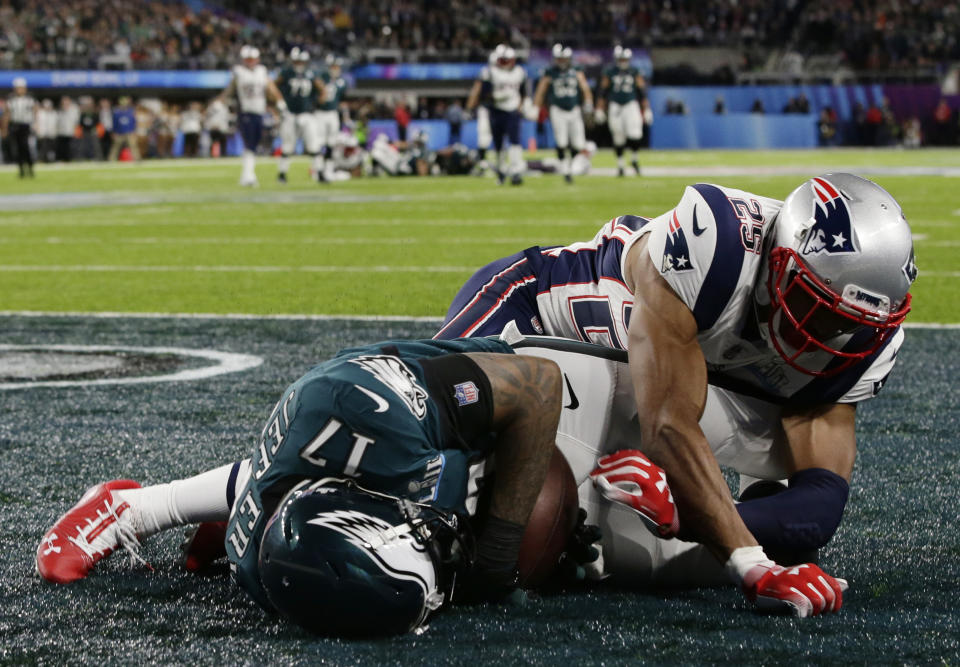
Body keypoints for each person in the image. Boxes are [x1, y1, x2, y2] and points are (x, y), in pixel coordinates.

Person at [436, 173, 916, 615]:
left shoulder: (861, 345)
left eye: (851, 322)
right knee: (438, 427)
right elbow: (667, 422)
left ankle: (586, 541)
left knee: (785, 539)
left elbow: (820, 503)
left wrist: (681, 512)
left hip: (627, 388)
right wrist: (750, 564)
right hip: (536, 312)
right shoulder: (719, 244)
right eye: (815, 303)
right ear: (780, 259)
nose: (826, 332)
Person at [36, 338, 562, 636]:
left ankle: (135, 508)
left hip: (433, 369)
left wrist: (496, 557)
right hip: (318, 468)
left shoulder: (377, 423)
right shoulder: (268, 578)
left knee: (539, 466)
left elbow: (540, 383)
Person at [215, 45, 286, 186]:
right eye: (248, 59)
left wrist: (279, 101)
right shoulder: (239, 72)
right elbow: (230, 89)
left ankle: (247, 175)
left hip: (259, 111)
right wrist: (220, 102)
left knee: (254, 144)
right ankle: (248, 175)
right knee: (249, 144)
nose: (250, 61)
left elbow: (270, 87)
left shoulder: (262, 71)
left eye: (252, 59)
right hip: (245, 111)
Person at [532, 44, 593, 184]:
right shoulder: (550, 72)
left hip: (574, 109)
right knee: (561, 141)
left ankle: (571, 166)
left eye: (563, 58)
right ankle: (566, 170)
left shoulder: (576, 71)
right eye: (559, 59)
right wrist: (536, 107)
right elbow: (541, 91)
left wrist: (588, 103)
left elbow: (585, 88)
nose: (561, 61)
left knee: (579, 143)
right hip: (557, 109)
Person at [467, 44, 527, 185]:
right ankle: (501, 170)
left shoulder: (519, 72)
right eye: (502, 60)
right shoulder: (490, 72)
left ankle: (516, 171)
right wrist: (497, 97)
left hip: (512, 111)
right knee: (498, 144)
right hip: (496, 110)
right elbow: (484, 95)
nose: (505, 63)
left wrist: (519, 107)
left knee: (515, 142)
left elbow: (523, 93)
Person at [274, 47, 325, 183]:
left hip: (307, 114)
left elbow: (322, 90)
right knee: (287, 145)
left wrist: (316, 104)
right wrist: (278, 103)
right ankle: (282, 174)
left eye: (301, 61)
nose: (299, 64)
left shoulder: (311, 74)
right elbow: (273, 88)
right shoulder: (286, 73)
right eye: (297, 61)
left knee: (314, 145)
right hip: (290, 114)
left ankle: (319, 172)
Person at [596, 46, 645, 177]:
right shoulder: (610, 71)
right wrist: (600, 108)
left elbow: (642, 91)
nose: (623, 61)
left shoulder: (634, 71)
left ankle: (634, 159)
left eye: (625, 58)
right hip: (615, 105)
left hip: (631, 104)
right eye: (621, 58)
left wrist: (646, 109)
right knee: (618, 136)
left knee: (635, 134)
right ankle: (620, 165)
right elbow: (603, 91)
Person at [316, 55, 348, 182]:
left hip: (333, 113)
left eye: (337, 66)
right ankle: (318, 170)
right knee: (318, 144)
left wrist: (345, 115)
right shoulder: (321, 78)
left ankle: (328, 171)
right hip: (320, 113)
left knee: (331, 143)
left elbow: (342, 100)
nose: (335, 68)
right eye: (333, 66)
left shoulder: (342, 82)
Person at [2, 77, 35, 178]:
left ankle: (30, 168)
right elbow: (6, 115)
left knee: (25, 147)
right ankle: (21, 170)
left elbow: (35, 112)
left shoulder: (29, 100)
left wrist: (36, 124)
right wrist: (4, 129)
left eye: (20, 88)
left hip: (25, 125)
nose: (19, 90)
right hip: (15, 125)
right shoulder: (11, 101)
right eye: (17, 88)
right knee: (17, 148)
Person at [108, 96, 139, 161]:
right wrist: (114, 132)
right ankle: (111, 159)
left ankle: (137, 159)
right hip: (119, 133)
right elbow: (114, 123)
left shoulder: (131, 112)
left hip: (129, 132)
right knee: (115, 147)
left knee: (133, 146)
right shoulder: (117, 112)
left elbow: (134, 122)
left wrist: (134, 131)